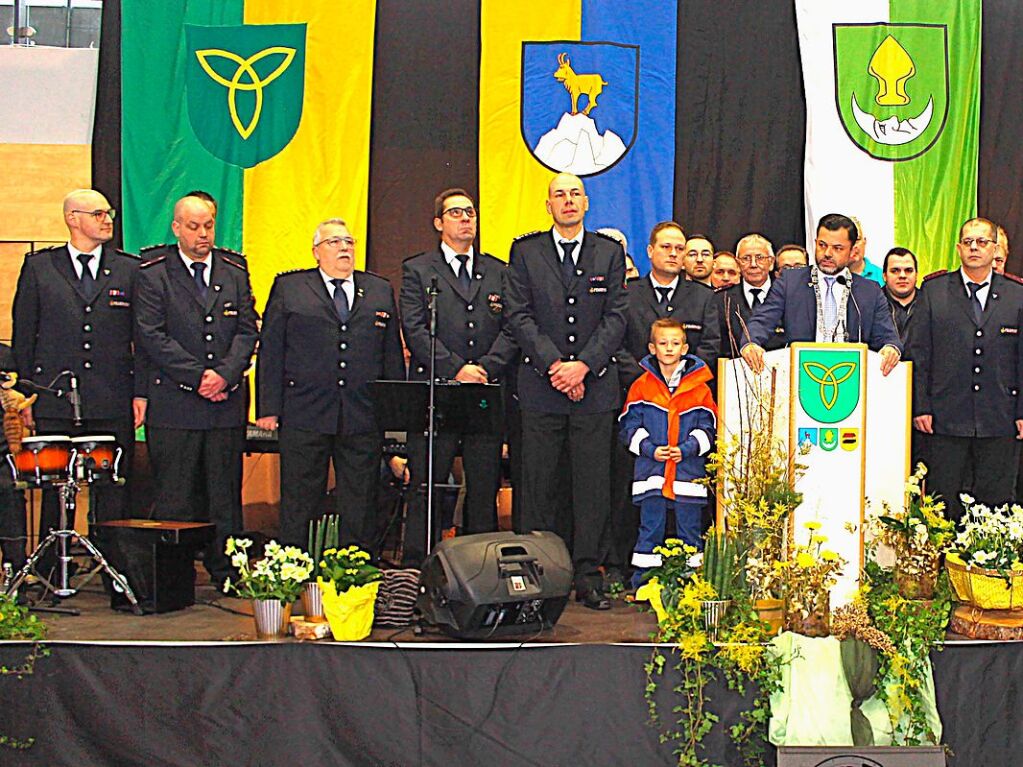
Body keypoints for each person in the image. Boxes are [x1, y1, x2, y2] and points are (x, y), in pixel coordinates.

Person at [505, 172, 628, 610]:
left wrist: (583, 367)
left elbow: (616, 317)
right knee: (540, 485)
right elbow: (518, 315)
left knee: (592, 487)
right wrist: (557, 366)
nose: (568, 201)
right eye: (560, 194)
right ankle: (539, 575)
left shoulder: (610, 252)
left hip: (594, 390)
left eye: (575, 193)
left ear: (587, 202)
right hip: (541, 387)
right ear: (549, 205)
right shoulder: (525, 252)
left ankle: (586, 572)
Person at [11, 189, 145, 578]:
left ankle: (115, 573)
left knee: (113, 488)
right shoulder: (41, 267)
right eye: (98, 214)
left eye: (110, 213)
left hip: (111, 394)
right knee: (55, 488)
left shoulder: (128, 269)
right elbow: (26, 333)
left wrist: (141, 392)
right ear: (73, 218)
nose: (108, 220)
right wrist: (29, 392)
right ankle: (52, 569)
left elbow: (143, 336)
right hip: (54, 395)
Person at [256, 218, 404, 553]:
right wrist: (267, 408)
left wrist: (394, 414)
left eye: (349, 242)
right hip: (304, 411)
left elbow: (391, 355)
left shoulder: (379, 289)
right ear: (316, 252)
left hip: (362, 414)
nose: (344, 248)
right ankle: (297, 569)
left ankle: (354, 573)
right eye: (334, 242)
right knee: (300, 498)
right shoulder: (291, 287)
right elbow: (271, 349)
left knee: (360, 499)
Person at [135, 195, 258, 586]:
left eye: (208, 225)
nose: (202, 234)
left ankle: (228, 573)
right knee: (175, 494)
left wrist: (223, 374)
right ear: (176, 228)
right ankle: (174, 577)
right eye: (193, 226)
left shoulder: (234, 269)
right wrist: (199, 376)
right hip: (175, 401)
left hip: (226, 402)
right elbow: (151, 336)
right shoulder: (154, 272)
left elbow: (246, 329)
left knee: (225, 495)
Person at [399, 189, 517, 566]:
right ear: (439, 223)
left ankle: (478, 570)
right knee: (428, 485)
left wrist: (485, 367)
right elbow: (416, 330)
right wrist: (455, 369)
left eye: (470, 212)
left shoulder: (498, 270)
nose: (466, 219)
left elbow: (513, 327)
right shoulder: (418, 270)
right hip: (438, 391)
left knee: (483, 486)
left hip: (484, 390)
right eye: (456, 213)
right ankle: (419, 568)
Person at [607, 221, 720, 588]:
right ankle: (634, 573)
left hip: (687, 408)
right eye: (666, 247)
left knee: (689, 509)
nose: (674, 254)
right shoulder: (628, 294)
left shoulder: (703, 297)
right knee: (640, 500)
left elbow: (710, 346)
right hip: (640, 400)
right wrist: (646, 376)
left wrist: (682, 377)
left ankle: (688, 580)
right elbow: (617, 343)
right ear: (650, 251)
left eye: (679, 248)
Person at [907, 217, 1023, 521]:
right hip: (946, 418)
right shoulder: (933, 291)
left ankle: (987, 566)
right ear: (958, 248)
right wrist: (921, 406)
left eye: (982, 242)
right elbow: (920, 354)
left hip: (1000, 417)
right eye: (968, 242)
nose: (974, 247)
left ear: (995, 249)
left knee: (996, 502)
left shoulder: (1016, 295)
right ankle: (943, 564)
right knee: (943, 500)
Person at [619, 319, 716, 589]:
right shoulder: (641, 386)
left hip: (688, 473)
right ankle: (643, 584)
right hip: (652, 473)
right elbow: (628, 427)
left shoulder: (700, 387)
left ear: (685, 347)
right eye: (663, 343)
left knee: (690, 532)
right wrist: (650, 449)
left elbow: (709, 429)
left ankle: (693, 587)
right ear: (652, 348)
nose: (670, 349)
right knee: (650, 529)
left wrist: (685, 450)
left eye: (675, 343)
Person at [741, 213, 902, 376]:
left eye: (837, 248)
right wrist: (751, 342)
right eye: (822, 245)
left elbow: (888, 336)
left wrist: (890, 349)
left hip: (851, 376)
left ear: (852, 251)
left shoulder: (870, 291)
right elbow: (762, 320)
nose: (827, 253)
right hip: (801, 376)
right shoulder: (790, 282)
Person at [718, 233, 784, 358]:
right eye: (746, 258)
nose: (753, 264)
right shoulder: (722, 299)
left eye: (760, 258)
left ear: (771, 263)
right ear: (737, 264)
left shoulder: (787, 296)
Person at [882, 247, 918, 343]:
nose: (902, 276)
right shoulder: (873, 303)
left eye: (908, 270)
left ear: (917, 275)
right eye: (895, 271)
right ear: (884, 276)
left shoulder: (929, 302)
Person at [849, 216, 884, 286]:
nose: (853, 246)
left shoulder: (881, 276)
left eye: (857, 240)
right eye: (848, 241)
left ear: (864, 241)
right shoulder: (832, 276)